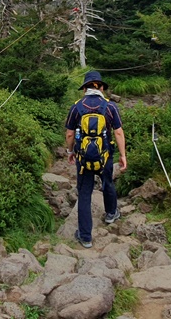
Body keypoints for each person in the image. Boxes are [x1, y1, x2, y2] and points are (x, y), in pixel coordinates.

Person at [65, 70, 127, 248]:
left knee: (84, 193)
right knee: (107, 182)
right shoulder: (110, 107)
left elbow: (69, 134)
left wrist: (70, 152)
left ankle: (85, 236)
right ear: (101, 88)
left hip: (83, 158)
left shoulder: (76, 107)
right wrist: (123, 155)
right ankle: (111, 213)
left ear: (85, 89)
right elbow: (118, 132)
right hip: (105, 155)